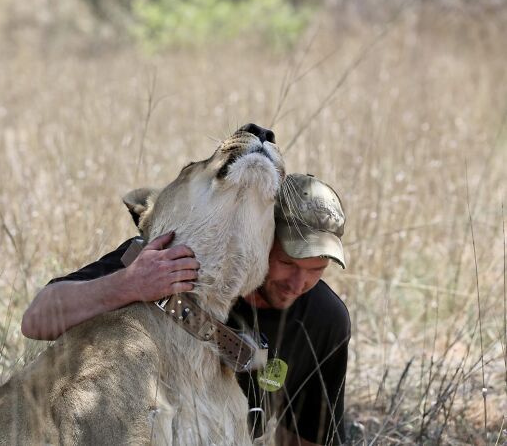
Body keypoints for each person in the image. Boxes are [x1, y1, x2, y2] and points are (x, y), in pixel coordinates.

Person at [22, 173, 350, 446]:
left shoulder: (325, 319)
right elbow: (36, 320)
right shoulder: (176, 260)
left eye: (316, 270)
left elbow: (311, 435)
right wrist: (129, 284)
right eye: (287, 263)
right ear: (260, 237)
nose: (298, 283)